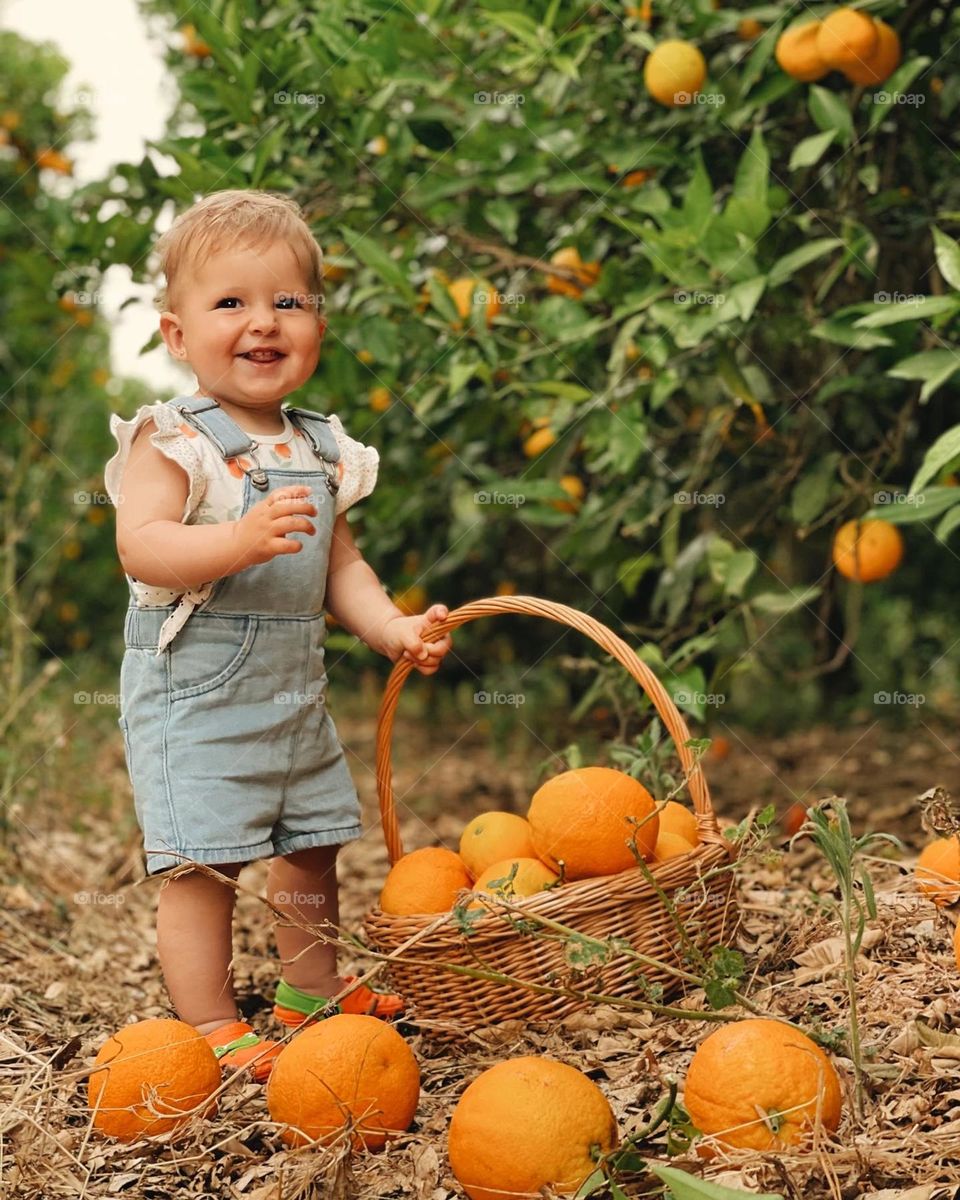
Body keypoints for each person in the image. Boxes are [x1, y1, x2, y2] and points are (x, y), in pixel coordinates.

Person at [104, 189, 453, 1082]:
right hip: (199, 691)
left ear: (316, 323)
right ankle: (213, 1020)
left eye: (287, 302)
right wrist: (236, 540)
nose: (263, 323)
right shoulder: (173, 440)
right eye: (231, 304)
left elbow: (341, 569)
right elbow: (140, 546)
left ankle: (309, 988)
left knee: (311, 839)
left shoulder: (322, 447)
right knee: (200, 862)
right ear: (177, 334)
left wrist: (392, 627)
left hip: (293, 694)